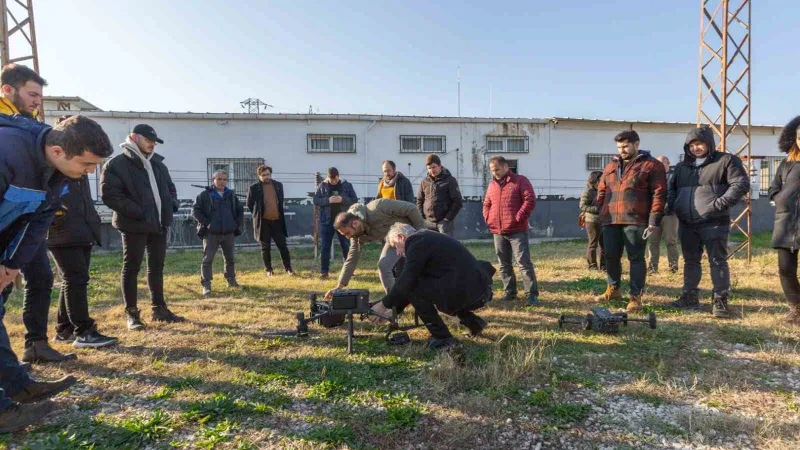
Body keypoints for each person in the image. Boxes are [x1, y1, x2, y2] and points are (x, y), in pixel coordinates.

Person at [0, 114, 111, 431]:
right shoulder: (6, 152)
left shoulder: (57, 173)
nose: (89, 173)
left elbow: (37, 223)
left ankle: (16, 385)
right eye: (87, 165)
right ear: (59, 150)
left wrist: (11, 264)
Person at [0, 64, 76, 362]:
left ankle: (35, 344)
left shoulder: (29, 125)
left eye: (40, 96)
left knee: (41, 277)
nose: (37, 101)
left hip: (27, 221)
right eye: (32, 94)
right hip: (11, 223)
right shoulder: (9, 130)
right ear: (7, 89)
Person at [100, 124, 184, 330]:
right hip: (133, 224)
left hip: (159, 224)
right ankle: (132, 314)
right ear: (134, 137)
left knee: (156, 267)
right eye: (148, 139)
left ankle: (159, 309)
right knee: (131, 268)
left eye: (154, 141)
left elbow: (170, 188)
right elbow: (110, 196)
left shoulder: (158, 164)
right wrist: (139, 212)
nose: (152, 144)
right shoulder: (116, 164)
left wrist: (171, 205)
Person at [369, 224, 495, 350]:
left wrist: (383, 305)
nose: (398, 252)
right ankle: (475, 325)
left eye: (396, 246)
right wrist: (394, 311)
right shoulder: (425, 238)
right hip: (477, 288)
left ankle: (443, 338)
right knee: (425, 288)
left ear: (401, 237)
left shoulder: (416, 242)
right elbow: (415, 282)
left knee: (415, 290)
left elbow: (407, 281)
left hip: (470, 291)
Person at [667, 126, 749, 318]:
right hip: (687, 222)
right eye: (692, 145)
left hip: (714, 222)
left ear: (709, 144)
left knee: (717, 261)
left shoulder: (726, 161)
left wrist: (719, 204)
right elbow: (672, 190)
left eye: (700, 143)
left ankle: (720, 301)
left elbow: (741, 184)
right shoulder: (682, 167)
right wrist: (674, 206)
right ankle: (689, 297)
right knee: (690, 261)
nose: (696, 148)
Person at [594, 131, 667, 313]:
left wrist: (653, 218)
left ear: (636, 144)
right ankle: (613, 289)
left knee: (635, 258)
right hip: (610, 220)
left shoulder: (652, 165)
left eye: (625, 146)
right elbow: (602, 190)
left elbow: (659, 193)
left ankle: (636, 297)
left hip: (636, 220)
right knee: (610, 256)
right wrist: (601, 211)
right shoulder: (611, 165)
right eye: (619, 147)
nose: (622, 150)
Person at [48, 173, 118, 348]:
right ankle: (84, 332)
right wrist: (58, 217)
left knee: (72, 279)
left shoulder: (79, 169)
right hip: (63, 231)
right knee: (76, 279)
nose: (92, 167)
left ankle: (65, 330)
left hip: (82, 229)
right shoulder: (55, 163)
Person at [326, 199, 429, 298]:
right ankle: (394, 302)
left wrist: (421, 234)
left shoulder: (378, 207)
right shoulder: (356, 235)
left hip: (413, 231)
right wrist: (339, 286)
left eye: (347, 233)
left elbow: (411, 208)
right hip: (393, 239)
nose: (347, 237)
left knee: (422, 266)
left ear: (355, 224)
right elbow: (352, 258)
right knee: (383, 265)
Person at [483, 156, 540, 305]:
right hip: (498, 231)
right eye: (492, 171)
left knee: (523, 263)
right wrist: (489, 219)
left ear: (505, 167)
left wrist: (518, 217)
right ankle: (509, 292)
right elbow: (486, 204)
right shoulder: (492, 185)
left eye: (496, 170)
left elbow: (530, 200)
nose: (494, 173)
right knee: (504, 264)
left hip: (517, 230)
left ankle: (531, 294)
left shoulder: (520, 181)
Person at [193, 170, 244, 296]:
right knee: (207, 260)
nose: (222, 182)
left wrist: (235, 224)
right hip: (211, 233)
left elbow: (239, 210)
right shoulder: (205, 195)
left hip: (228, 233)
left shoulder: (231, 195)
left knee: (230, 259)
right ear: (213, 180)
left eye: (224, 179)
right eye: (219, 179)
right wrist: (207, 223)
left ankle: (231, 280)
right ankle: (206, 285)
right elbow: (195, 211)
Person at [770, 115, 800, 326]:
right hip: (786, 224)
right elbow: (774, 188)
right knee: (785, 269)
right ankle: (796, 309)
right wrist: (779, 200)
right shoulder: (787, 163)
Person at [247, 165, 293, 277]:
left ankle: (288, 268)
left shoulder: (278, 185)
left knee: (283, 246)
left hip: (277, 221)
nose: (266, 177)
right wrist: (258, 216)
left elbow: (280, 201)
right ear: (259, 176)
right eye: (263, 175)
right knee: (265, 247)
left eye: (268, 174)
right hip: (263, 223)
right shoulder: (254, 188)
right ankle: (269, 270)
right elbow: (249, 204)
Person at [313, 167, 357, 279]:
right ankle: (324, 272)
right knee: (325, 247)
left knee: (346, 246)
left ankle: (349, 271)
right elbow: (316, 200)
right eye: (332, 181)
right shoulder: (322, 185)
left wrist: (342, 199)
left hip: (344, 222)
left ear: (338, 176)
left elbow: (354, 199)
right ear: (328, 177)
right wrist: (328, 200)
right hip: (326, 221)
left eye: (336, 180)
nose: (334, 182)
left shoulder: (346, 185)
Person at [647, 156, 680, 274]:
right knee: (653, 242)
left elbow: (678, 194)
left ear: (668, 163)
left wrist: (672, 208)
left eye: (661, 163)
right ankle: (652, 268)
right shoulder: (651, 178)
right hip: (654, 215)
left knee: (671, 241)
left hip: (670, 215)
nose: (658, 165)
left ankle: (673, 268)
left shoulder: (675, 177)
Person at [417, 154, 462, 237]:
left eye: (434, 167)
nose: (432, 170)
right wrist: (422, 217)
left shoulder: (450, 180)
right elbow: (420, 200)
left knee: (446, 247)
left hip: (444, 223)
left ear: (440, 166)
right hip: (428, 223)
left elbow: (458, 201)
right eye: (429, 168)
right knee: (430, 247)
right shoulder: (424, 182)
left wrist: (447, 218)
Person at [580, 171, 606, 271]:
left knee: (605, 245)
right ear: (595, 180)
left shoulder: (604, 190)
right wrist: (596, 209)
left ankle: (604, 266)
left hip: (604, 220)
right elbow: (582, 206)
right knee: (593, 244)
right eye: (601, 179)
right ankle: (592, 266)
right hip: (592, 221)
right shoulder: (588, 191)